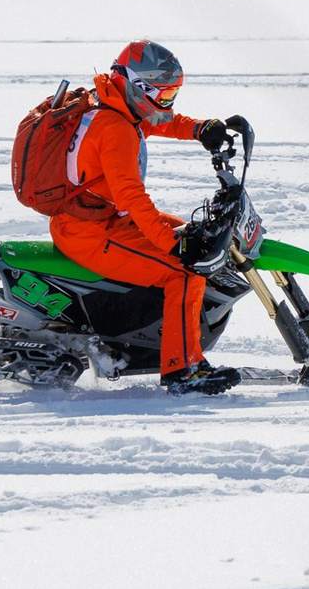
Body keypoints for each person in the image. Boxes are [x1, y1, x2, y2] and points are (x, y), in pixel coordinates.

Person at [47, 41, 248, 393]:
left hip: (100, 218)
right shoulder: (114, 127)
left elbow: (159, 123)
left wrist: (200, 129)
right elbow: (132, 197)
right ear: (140, 87)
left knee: (189, 234)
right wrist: (172, 245)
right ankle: (183, 370)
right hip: (90, 232)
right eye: (165, 94)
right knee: (184, 270)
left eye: (173, 94)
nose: (168, 102)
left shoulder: (113, 105)